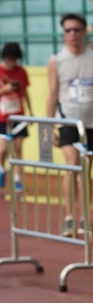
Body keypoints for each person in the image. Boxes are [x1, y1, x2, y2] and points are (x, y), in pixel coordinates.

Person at [46, 13, 93, 236]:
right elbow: (51, 93)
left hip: (91, 122)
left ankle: (85, 218)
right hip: (68, 121)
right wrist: (49, 126)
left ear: (84, 32)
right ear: (63, 34)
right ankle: (69, 217)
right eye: (68, 31)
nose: (72, 34)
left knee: (85, 171)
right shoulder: (56, 60)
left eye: (76, 30)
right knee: (72, 166)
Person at [0, 42, 32, 197]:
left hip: (18, 115)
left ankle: (17, 179)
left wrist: (31, 112)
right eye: (8, 59)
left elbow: (25, 92)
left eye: (14, 59)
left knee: (18, 148)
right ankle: (1, 171)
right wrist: (5, 90)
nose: (11, 62)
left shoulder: (21, 72)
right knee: (3, 149)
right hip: (2, 117)